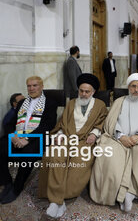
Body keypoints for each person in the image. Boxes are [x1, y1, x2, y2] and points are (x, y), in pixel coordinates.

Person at [38, 74, 108, 218]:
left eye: (87, 91)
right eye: (81, 90)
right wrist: (60, 135)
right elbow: (63, 123)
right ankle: (56, 201)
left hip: (85, 140)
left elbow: (102, 123)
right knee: (55, 157)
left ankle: (60, 198)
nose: (83, 94)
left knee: (79, 164)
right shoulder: (71, 103)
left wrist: (94, 134)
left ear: (93, 92)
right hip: (67, 138)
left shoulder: (100, 105)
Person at [90, 73, 138, 212]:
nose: (136, 90)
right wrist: (121, 136)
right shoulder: (119, 101)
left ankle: (131, 193)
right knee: (109, 157)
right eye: (133, 86)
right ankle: (116, 194)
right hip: (117, 139)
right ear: (128, 87)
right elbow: (111, 121)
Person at [0, 76, 57, 204]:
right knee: (1, 146)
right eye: (29, 86)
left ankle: (17, 187)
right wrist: (12, 135)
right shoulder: (22, 103)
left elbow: (48, 125)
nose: (31, 88)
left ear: (41, 87)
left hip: (37, 136)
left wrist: (27, 139)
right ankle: (7, 182)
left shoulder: (50, 103)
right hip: (18, 134)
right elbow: (10, 122)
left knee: (28, 152)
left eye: (35, 85)